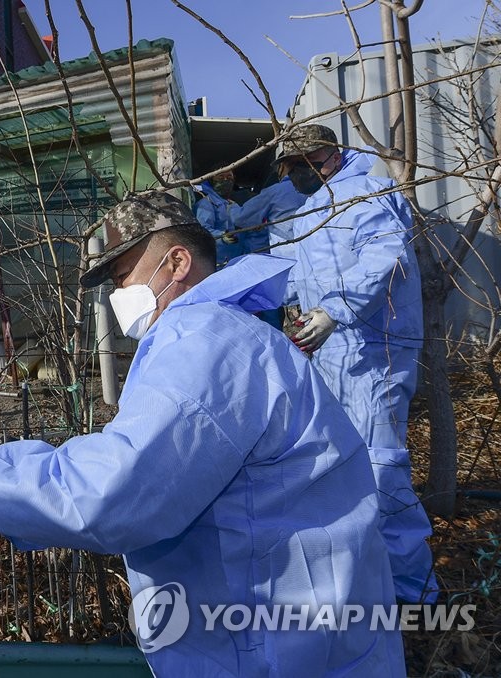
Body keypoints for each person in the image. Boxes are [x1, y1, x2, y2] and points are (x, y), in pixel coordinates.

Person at [0, 190, 406, 676]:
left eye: (122, 276)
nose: (119, 296)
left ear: (177, 263)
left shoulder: (204, 340)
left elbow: (113, 493)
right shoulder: (234, 333)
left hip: (272, 649)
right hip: (304, 632)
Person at [276, 124, 438, 604]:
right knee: (351, 466)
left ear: (324, 155)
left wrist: (334, 310)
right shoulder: (313, 207)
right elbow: (293, 272)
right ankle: (376, 579)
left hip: (374, 351)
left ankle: (414, 594)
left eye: (296, 166)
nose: (291, 176)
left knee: (380, 467)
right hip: (338, 354)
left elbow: (385, 257)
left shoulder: (363, 192)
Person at [230, 164, 307, 327]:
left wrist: (232, 208)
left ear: (282, 168)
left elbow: (242, 218)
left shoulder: (277, 191)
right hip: (320, 277)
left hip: (289, 278)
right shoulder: (324, 190)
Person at [192, 167, 242, 265]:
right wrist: (222, 237)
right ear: (211, 180)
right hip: (216, 262)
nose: (226, 180)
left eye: (229, 177)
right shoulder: (206, 204)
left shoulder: (233, 205)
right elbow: (202, 231)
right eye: (221, 177)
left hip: (235, 260)